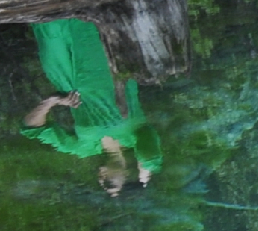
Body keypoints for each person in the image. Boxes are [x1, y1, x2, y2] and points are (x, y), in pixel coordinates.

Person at [19, 17, 160, 194]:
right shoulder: (135, 138)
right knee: (86, 19)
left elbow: (31, 128)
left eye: (102, 183)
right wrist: (146, 172)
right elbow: (150, 154)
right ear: (128, 173)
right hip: (106, 71)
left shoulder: (82, 148)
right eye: (111, 185)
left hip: (65, 76)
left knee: (47, 22)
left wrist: (52, 101)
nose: (103, 180)